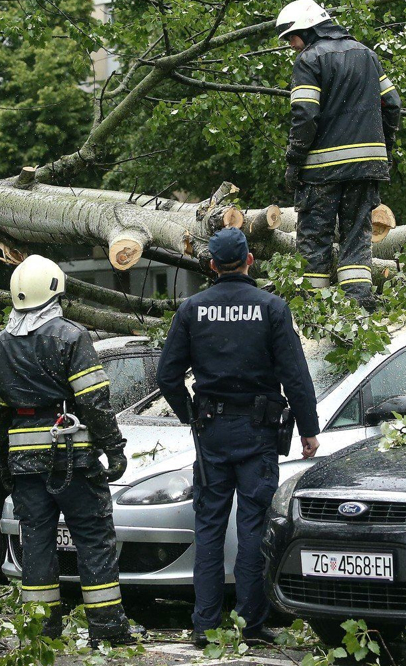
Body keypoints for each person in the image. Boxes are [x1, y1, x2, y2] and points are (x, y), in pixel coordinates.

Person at [155, 228, 320, 647]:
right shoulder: (272, 308)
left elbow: (167, 376)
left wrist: (190, 415)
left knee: (208, 526)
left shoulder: (192, 309)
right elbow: (295, 377)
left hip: (211, 431)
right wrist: (309, 430)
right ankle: (250, 622)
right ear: (250, 261)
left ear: (211, 266)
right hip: (258, 431)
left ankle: (204, 625)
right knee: (252, 526)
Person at [0, 255, 138, 646]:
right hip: (72, 459)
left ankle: (42, 630)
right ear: (55, 291)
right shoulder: (70, 335)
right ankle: (109, 629)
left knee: (35, 542)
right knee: (93, 538)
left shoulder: (0, 346)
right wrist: (114, 449)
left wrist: (6, 459)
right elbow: (94, 401)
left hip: (25, 464)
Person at [276, 0, 401, 309]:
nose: (292, 45)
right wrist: (383, 147)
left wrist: (294, 160)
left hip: (321, 173)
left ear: (309, 29)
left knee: (315, 239)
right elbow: (394, 105)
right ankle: (358, 309)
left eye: (291, 37)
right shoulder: (367, 54)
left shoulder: (309, 60)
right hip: (365, 170)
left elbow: (305, 115)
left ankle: (316, 314)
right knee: (356, 238)